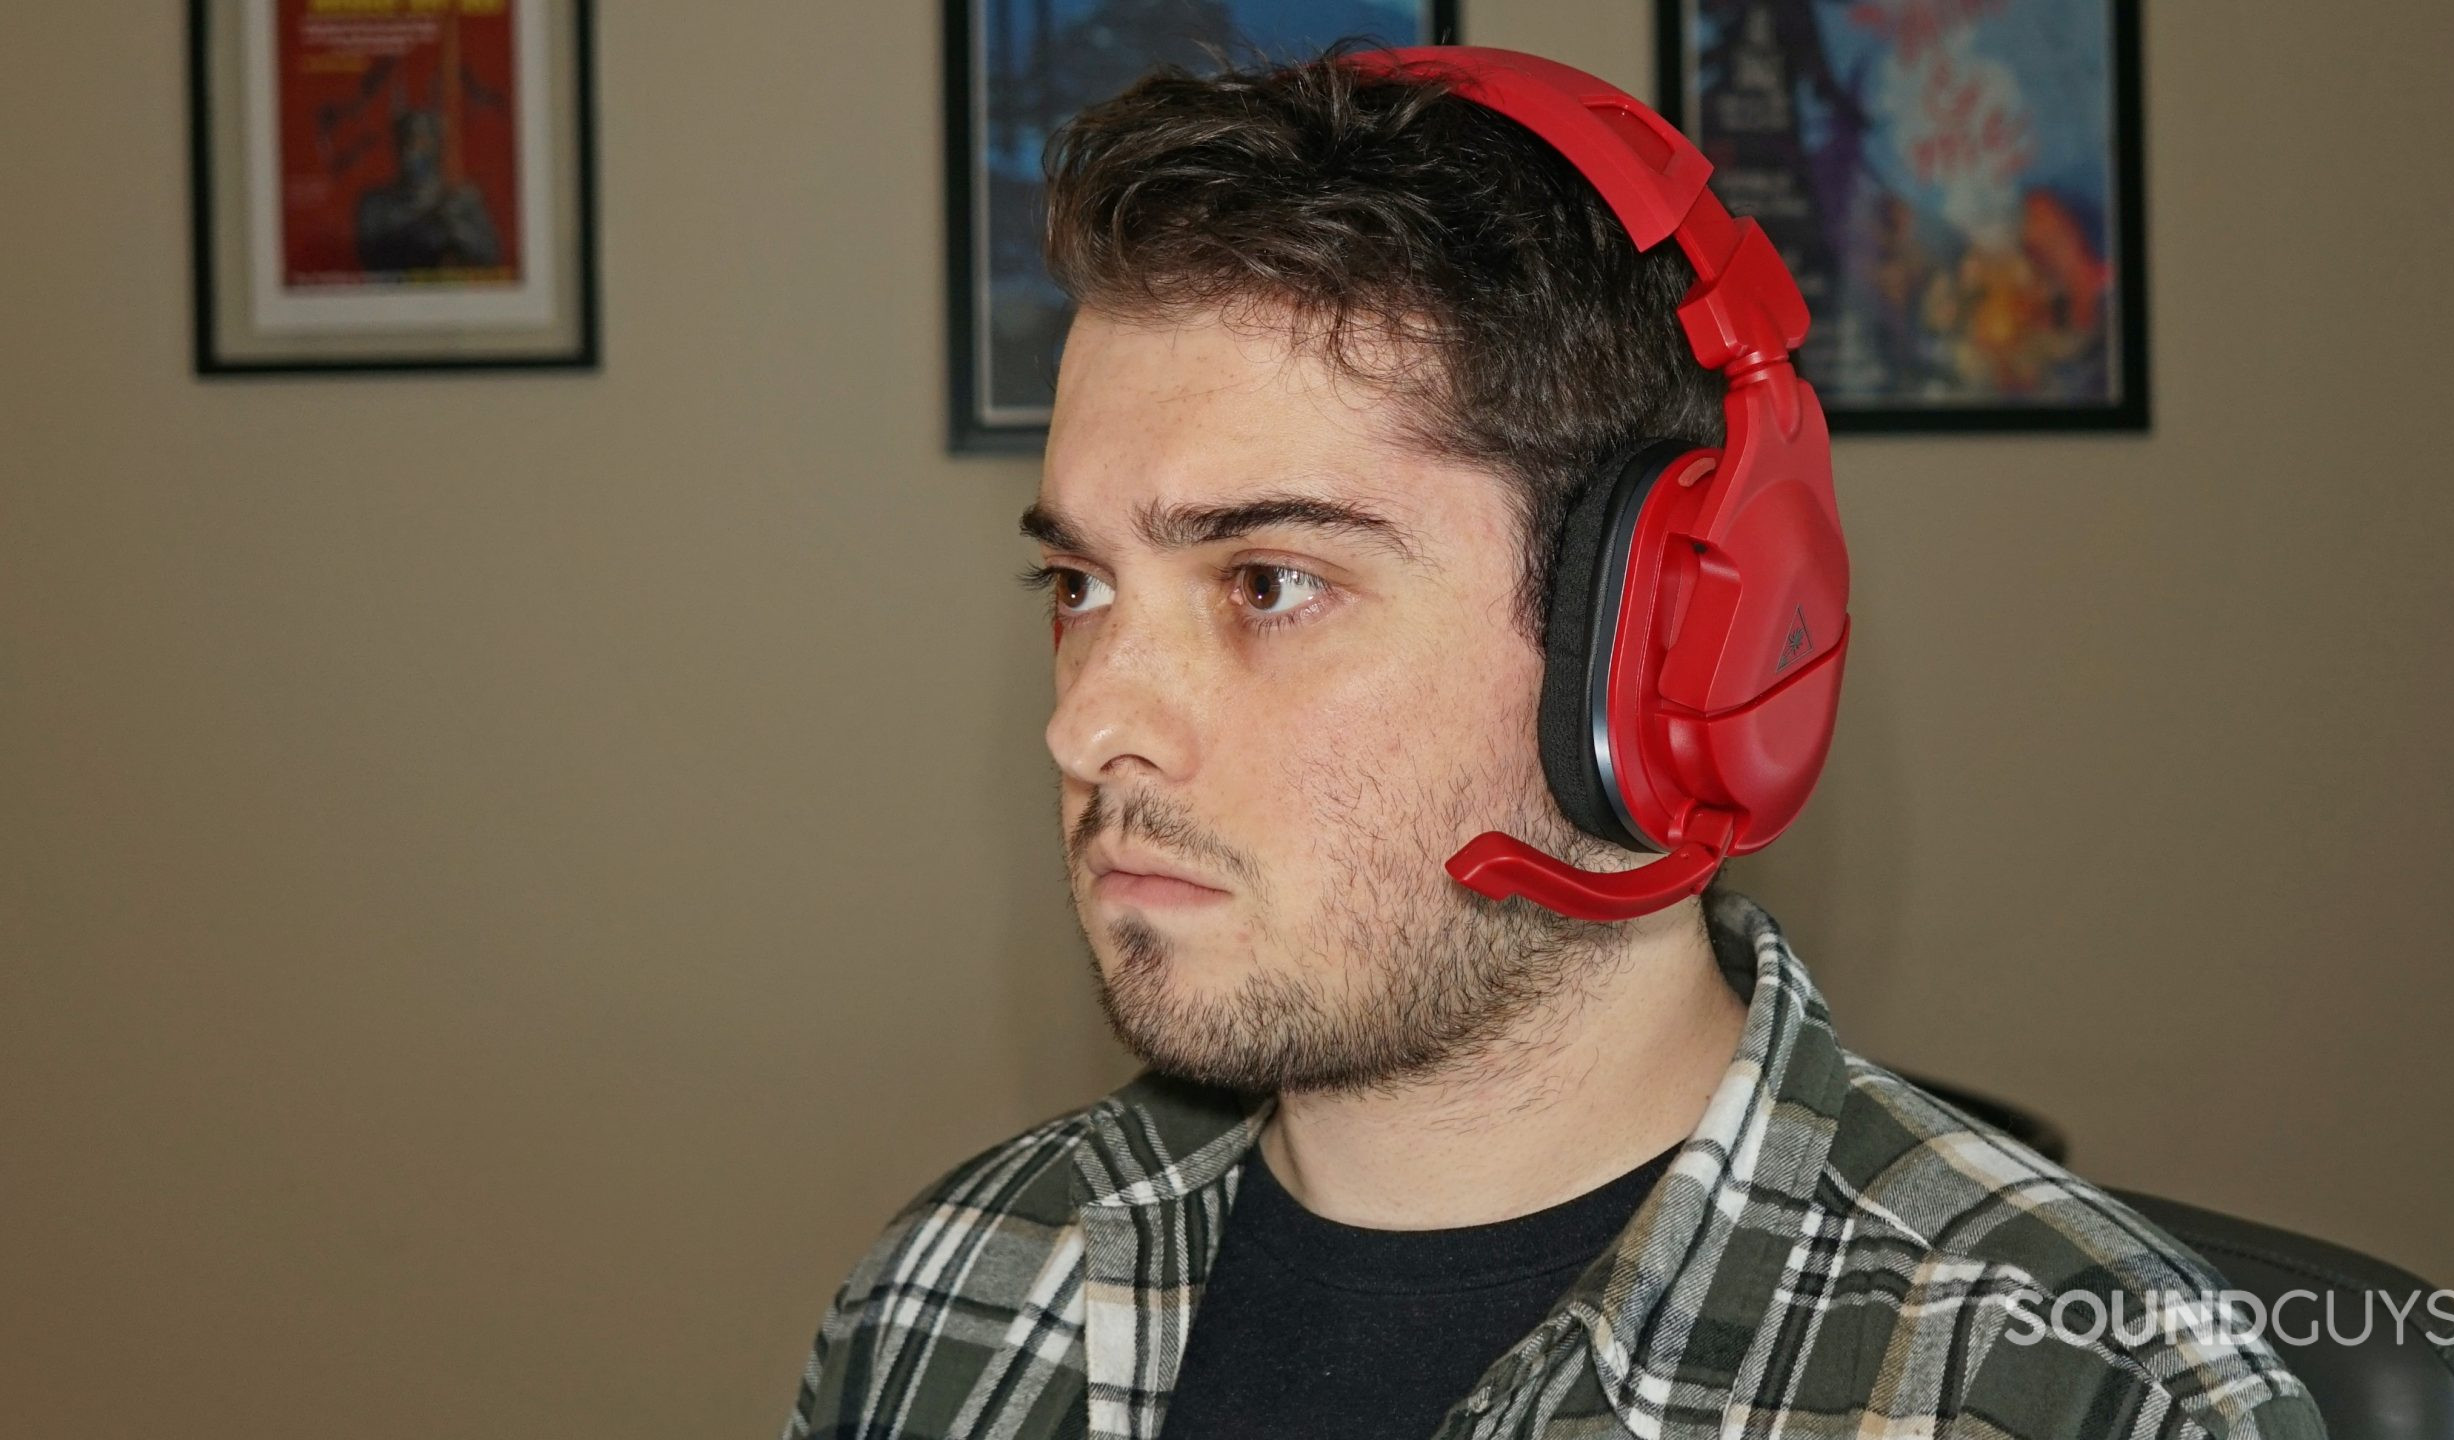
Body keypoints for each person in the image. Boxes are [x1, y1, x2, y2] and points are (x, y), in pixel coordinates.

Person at [782, 45, 2323, 1440]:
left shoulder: (2087, 1397)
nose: (1088, 718)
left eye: (1270, 583)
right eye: (1080, 584)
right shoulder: (944, 1302)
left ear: (1666, 650)